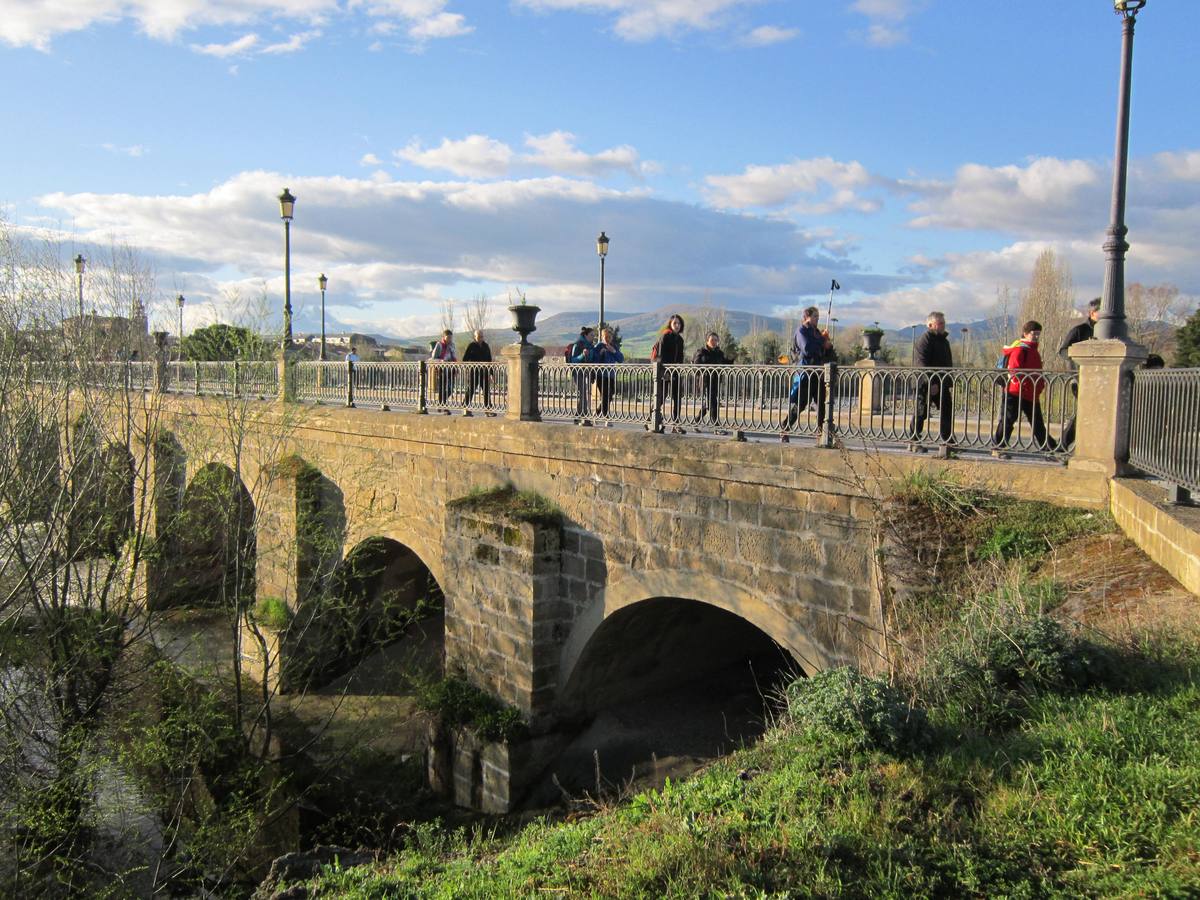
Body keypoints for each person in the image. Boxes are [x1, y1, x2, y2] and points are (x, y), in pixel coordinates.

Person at [993, 320, 1057, 452]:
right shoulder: (1021, 349)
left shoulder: (1032, 350)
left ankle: (1049, 446)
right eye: (1034, 334)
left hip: (1029, 392)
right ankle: (998, 446)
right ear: (1025, 334)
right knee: (1008, 421)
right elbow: (1014, 369)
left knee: (1037, 422)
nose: (1036, 336)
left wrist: (1039, 386)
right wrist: (1025, 383)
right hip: (1015, 392)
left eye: (1038, 334)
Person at [1057, 297, 1100, 449]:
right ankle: (1063, 444)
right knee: (1084, 412)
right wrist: (1081, 355)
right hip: (1079, 378)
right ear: (1092, 313)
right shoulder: (1080, 330)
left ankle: (1076, 445)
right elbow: (1063, 351)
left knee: (1091, 413)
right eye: (1100, 311)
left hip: (1099, 381)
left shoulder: (1107, 331)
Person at [908, 311, 955, 450]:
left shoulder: (944, 341)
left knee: (947, 409)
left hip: (941, 383)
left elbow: (946, 364)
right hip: (924, 382)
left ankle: (947, 442)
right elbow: (921, 363)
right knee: (921, 412)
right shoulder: (925, 339)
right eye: (940, 323)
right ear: (930, 325)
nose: (943, 325)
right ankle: (914, 441)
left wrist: (947, 382)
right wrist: (931, 383)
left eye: (943, 323)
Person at [784, 306, 831, 436]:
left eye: (818, 317)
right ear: (807, 317)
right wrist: (822, 340)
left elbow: (822, 351)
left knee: (821, 403)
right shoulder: (801, 331)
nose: (817, 319)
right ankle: (785, 428)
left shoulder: (816, 332)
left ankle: (821, 433)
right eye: (815, 316)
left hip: (817, 373)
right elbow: (807, 349)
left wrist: (827, 343)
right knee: (800, 404)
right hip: (805, 374)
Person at [693, 331, 731, 433]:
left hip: (715, 381)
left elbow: (725, 363)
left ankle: (695, 421)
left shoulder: (719, 353)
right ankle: (716, 427)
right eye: (711, 340)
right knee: (713, 403)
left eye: (715, 340)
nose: (714, 342)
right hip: (705, 382)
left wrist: (732, 358)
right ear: (707, 341)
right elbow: (696, 364)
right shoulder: (701, 351)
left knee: (708, 403)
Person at [655, 314, 687, 433]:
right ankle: (652, 420)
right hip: (665, 372)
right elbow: (660, 355)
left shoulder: (680, 339)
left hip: (676, 372)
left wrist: (679, 369)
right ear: (670, 324)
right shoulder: (665, 336)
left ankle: (676, 424)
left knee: (677, 398)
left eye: (679, 323)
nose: (677, 325)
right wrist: (663, 372)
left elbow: (680, 357)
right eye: (675, 323)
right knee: (660, 397)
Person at [593, 326, 624, 425]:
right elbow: (594, 360)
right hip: (601, 375)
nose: (608, 339)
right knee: (605, 396)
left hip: (611, 375)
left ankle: (596, 414)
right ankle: (607, 418)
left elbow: (620, 359)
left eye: (609, 337)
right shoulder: (599, 346)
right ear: (602, 337)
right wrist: (600, 354)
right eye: (606, 337)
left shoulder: (613, 346)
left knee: (609, 396)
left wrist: (613, 351)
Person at [568, 326, 597, 424]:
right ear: (586, 335)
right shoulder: (578, 345)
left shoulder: (591, 346)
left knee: (584, 394)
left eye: (594, 335)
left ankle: (578, 417)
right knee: (583, 394)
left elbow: (592, 359)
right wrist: (582, 355)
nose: (593, 337)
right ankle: (584, 417)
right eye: (592, 335)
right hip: (578, 372)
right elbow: (573, 360)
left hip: (586, 372)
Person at [462, 329, 494, 414]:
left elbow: (489, 360)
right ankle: (466, 407)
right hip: (474, 372)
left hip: (485, 372)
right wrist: (468, 367)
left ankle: (488, 410)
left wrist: (491, 374)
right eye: (479, 337)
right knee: (471, 390)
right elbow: (465, 359)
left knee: (486, 391)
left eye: (482, 336)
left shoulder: (486, 346)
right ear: (475, 337)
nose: (480, 338)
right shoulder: (471, 346)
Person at [430, 329, 457, 411]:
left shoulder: (452, 345)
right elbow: (433, 358)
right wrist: (441, 361)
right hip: (441, 370)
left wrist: (456, 367)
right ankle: (444, 406)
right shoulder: (439, 345)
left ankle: (440, 404)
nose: (450, 339)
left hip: (451, 369)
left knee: (450, 389)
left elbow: (454, 356)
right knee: (442, 388)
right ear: (444, 337)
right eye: (448, 337)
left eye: (451, 338)